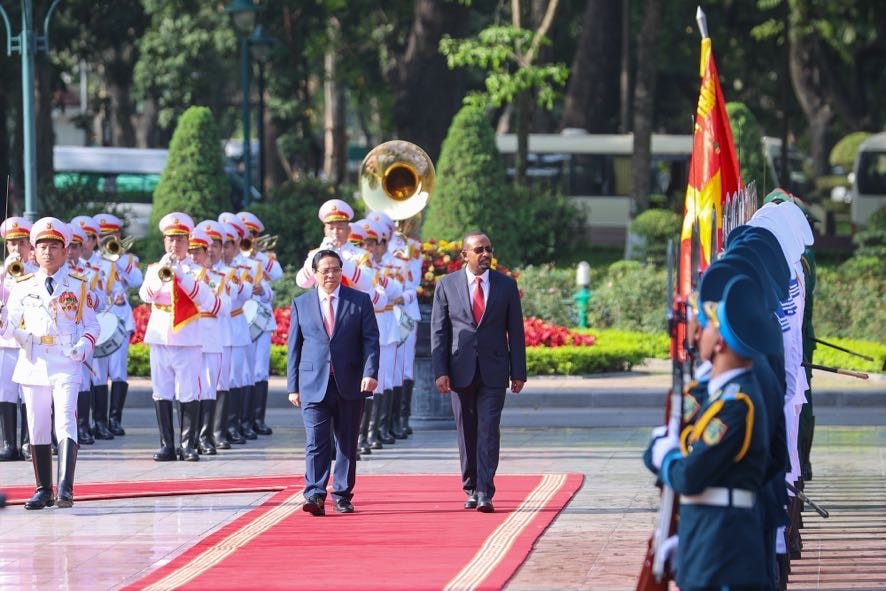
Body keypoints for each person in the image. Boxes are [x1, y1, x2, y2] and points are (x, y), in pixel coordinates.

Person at [644, 274, 774, 590]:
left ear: (720, 343)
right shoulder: (722, 396)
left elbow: (691, 475)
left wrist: (669, 456)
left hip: (723, 546)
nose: (699, 331)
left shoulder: (736, 405)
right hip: (705, 536)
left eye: (709, 325)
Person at [1, 217, 100, 509]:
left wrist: (83, 346)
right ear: (32, 250)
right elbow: (11, 327)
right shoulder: (21, 284)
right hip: (33, 361)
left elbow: (92, 326)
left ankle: (65, 489)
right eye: (42, 246)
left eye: (54, 246)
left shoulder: (78, 284)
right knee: (38, 425)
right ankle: (43, 488)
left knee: (66, 420)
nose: (47, 252)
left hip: (65, 361)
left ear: (65, 248)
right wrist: (4, 323)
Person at [431, 232, 526, 513]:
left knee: (488, 430)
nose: (485, 254)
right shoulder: (446, 285)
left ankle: (485, 490)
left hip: (494, 371)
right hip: (460, 371)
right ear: (465, 255)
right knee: (467, 431)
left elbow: (516, 332)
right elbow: (439, 332)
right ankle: (471, 487)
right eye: (479, 250)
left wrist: (518, 371)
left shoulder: (506, 286)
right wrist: (440, 371)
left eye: (488, 249)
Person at [287, 249, 379, 516]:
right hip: (312, 382)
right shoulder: (301, 303)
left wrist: (370, 372)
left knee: (346, 442)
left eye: (336, 269)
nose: (331, 275)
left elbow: (370, 341)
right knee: (316, 441)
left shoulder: (359, 301)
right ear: (314, 274)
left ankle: (341, 494)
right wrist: (293, 385)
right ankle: (315, 493)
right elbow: (294, 346)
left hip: (350, 382)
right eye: (325, 270)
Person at [138, 213, 217, 462]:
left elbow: (206, 300)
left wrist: (180, 275)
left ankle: (188, 445)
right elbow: (145, 295)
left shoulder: (198, 272)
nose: (175, 245)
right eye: (170, 240)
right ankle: (167, 445)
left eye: (180, 240)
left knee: (188, 391)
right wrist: (163, 273)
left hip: (188, 337)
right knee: (161, 391)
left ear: (188, 241)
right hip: (160, 335)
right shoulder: (155, 269)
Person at [94, 213, 144, 437]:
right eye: (102, 236)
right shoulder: (92, 260)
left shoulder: (127, 260)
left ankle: (115, 419)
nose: (106, 240)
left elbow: (137, 282)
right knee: (98, 374)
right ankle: (99, 421)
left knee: (118, 372)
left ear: (117, 235)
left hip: (120, 321)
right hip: (99, 321)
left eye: (110, 236)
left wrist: (119, 259)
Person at [0, 216, 36, 462]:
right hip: (5, 339)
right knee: (5, 392)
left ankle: (28, 443)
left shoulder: (35, 273)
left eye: (21, 243)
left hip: (28, 340)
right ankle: (9, 443)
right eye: (11, 244)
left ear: (29, 246)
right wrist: (6, 277)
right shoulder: (2, 273)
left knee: (28, 393)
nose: (16, 249)